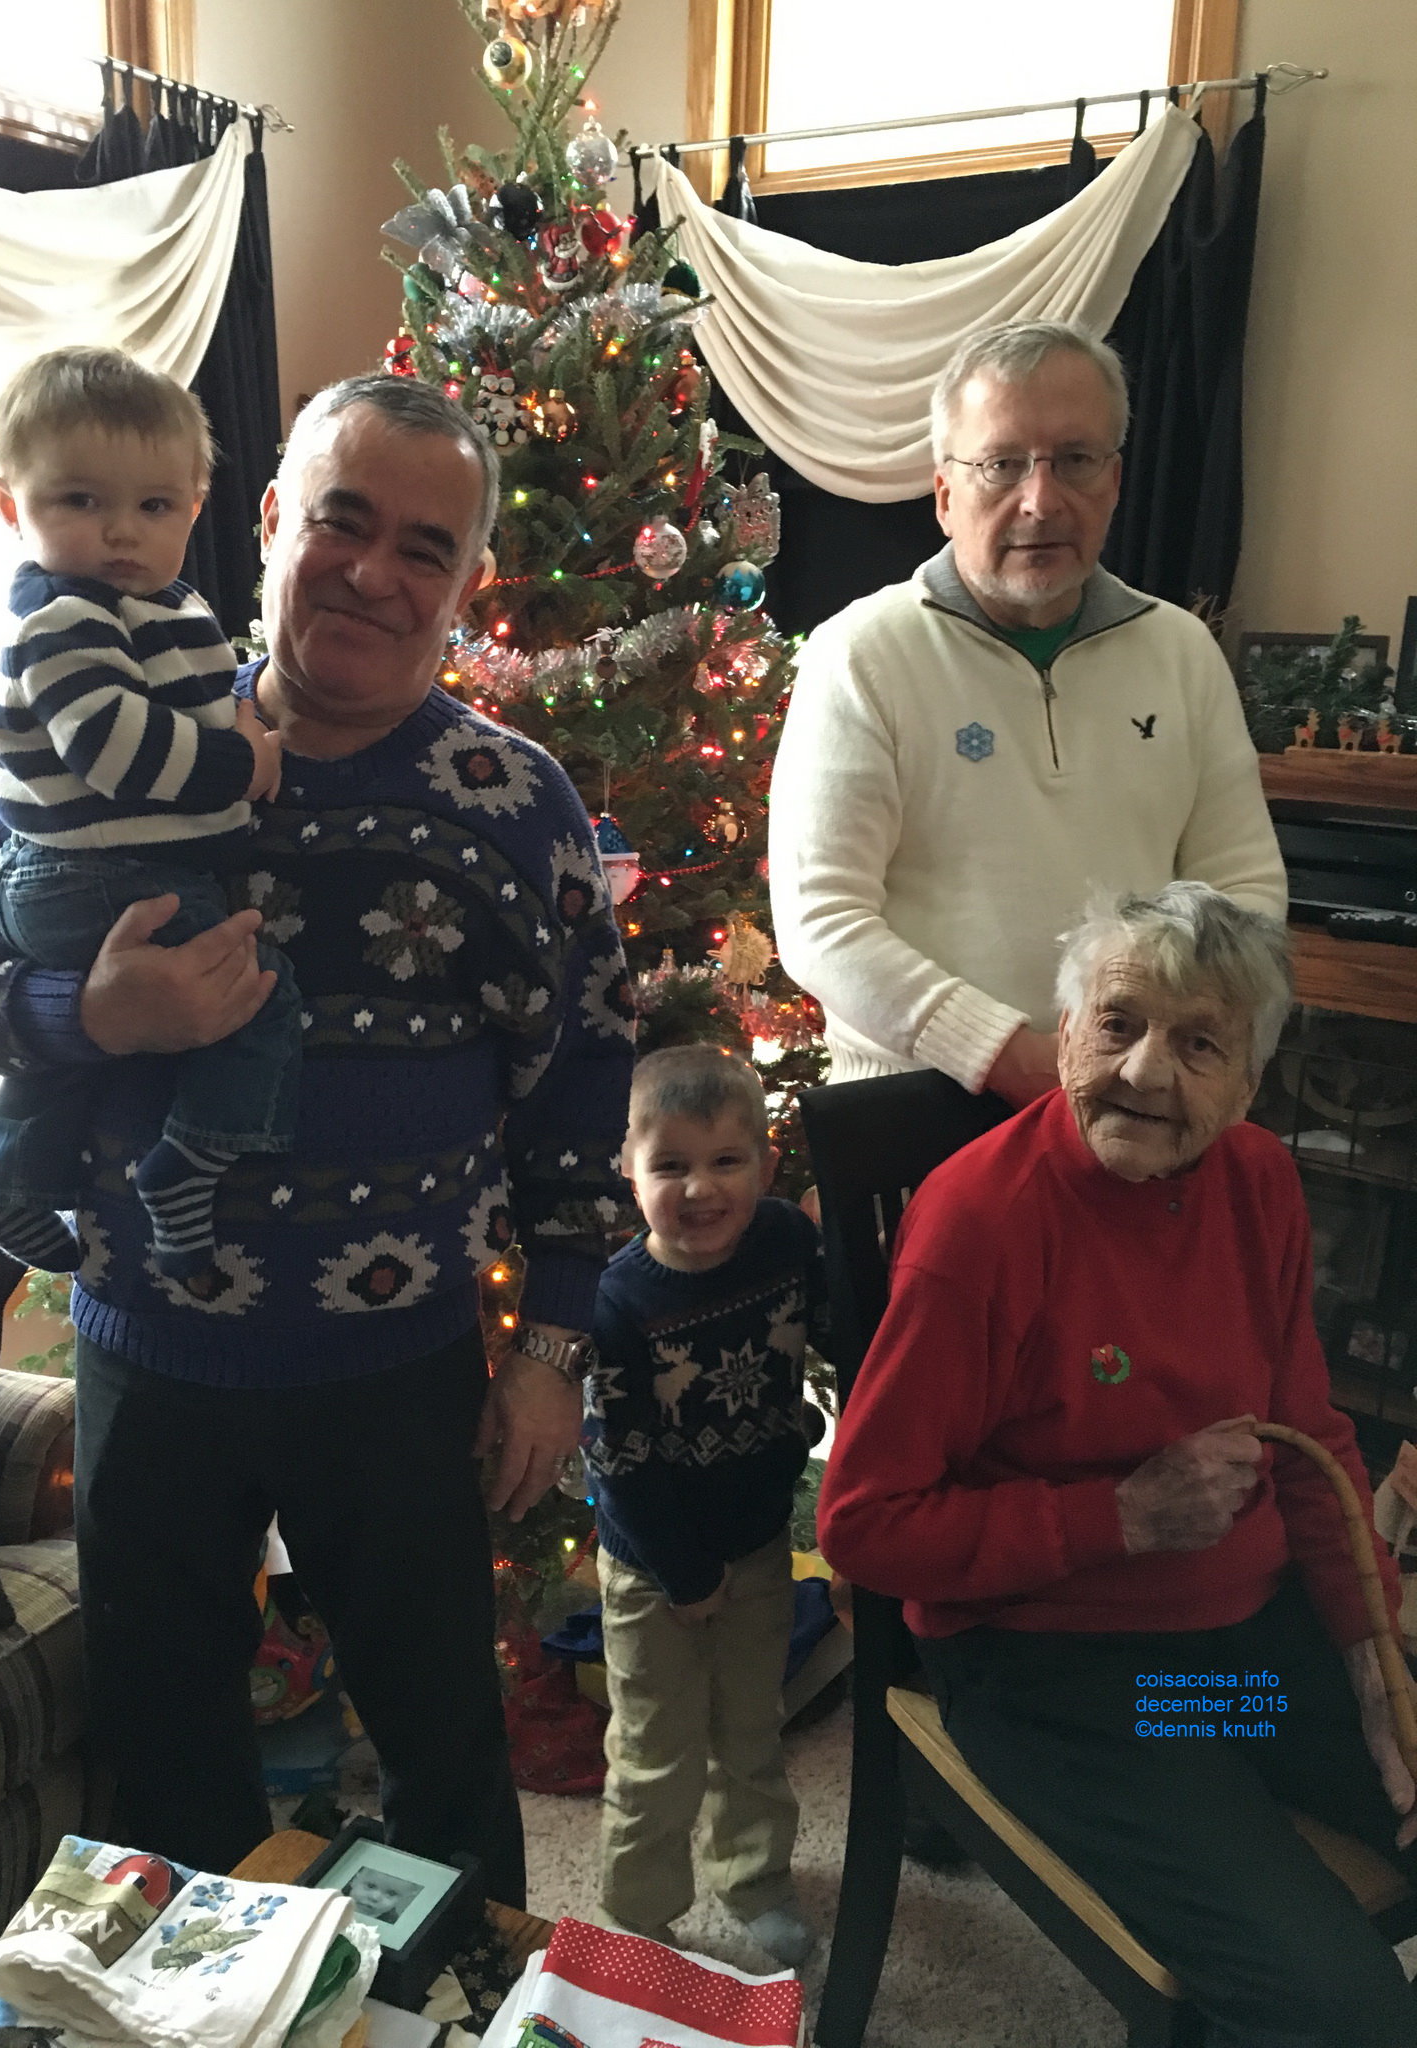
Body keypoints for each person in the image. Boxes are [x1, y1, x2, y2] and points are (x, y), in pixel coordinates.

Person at [0, 374, 636, 1903]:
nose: (373, 571)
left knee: (445, 1759)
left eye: (423, 548)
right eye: (341, 520)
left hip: (401, 1374)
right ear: (273, 520)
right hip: (149, 1356)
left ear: (466, 584)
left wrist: (555, 1347)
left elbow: (583, 1079)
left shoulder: (513, 801)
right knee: (165, 1769)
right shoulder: (120, 727)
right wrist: (84, 1015)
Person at [819, 882, 1417, 2047]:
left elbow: (1311, 1441)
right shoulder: (981, 1224)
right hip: (1070, 1670)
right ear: (1066, 1027)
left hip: (1235, 1654)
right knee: (1342, 2008)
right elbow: (867, 1521)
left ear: (1250, 1082)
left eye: (1200, 1043)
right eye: (1119, 1023)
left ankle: (1239, 1783)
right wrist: (1120, 1519)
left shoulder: (1260, 1184)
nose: (1148, 1072)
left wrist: (1371, 1649)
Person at [768, 319, 1287, 1110]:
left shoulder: (1183, 652)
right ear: (945, 494)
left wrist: (1177, 1060)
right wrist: (1015, 1057)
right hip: (922, 1114)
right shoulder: (858, 656)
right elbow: (820, 922)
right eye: (1002, 464)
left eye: (1075, 461)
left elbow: (1243, 888)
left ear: (1113, 482)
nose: (1041, 501)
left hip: (1140, 1111)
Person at [0, 346, 297, 1289]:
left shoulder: (160, 608)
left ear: (195, 509)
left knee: (101, 1030)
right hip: (83, 874)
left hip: (100, 876)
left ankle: (10, 1178)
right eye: (79, 501)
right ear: (10, 507)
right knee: (259, 989)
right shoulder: (65, 617)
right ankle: (186, 1165)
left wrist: (232, 718)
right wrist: (248, 761)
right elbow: (118, 750)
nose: (120, 531)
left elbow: (183, 705)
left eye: (154, 506)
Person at [583, 1045, 822, 1968]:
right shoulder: (619, 1301)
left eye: (726, 1161)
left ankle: (755, 1881)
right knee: (654, 1751)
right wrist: (683, 1575)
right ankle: (637, 1918)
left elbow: (835, 1331)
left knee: (751, 1730)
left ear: (764, 1165)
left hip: (758, 1540)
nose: (700, 1188)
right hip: (654, 1563)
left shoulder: (786, 1242)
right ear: (630, 1171)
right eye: (670, 1165)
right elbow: (623, 1461)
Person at [345, 1865, 418, 1929]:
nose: (375, 1897)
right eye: (370, 1886)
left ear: (403, 1899)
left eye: (391, 1893)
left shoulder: (392, 1927)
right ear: (354, 1880)